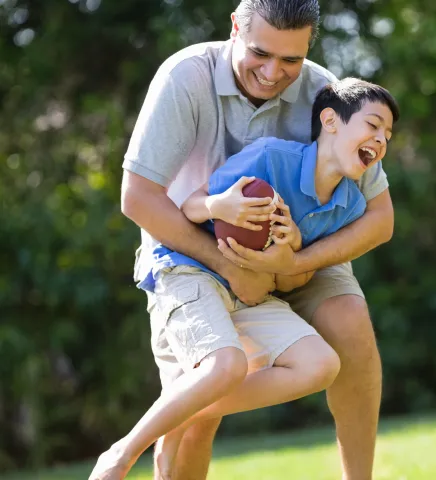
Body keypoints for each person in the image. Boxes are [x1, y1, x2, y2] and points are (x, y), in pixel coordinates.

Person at [96, 0, 396, 478]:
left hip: (296, 245)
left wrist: (295, 264)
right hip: (190, 248)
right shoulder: (185, 78)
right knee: (198, 415)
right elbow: (138, 199)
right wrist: (232, 265)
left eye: (291, 60)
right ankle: (160, 426)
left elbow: (380, 218)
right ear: (235, 27)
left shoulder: (327, 96)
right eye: (261, 53)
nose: (274, 72)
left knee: (351, 327)